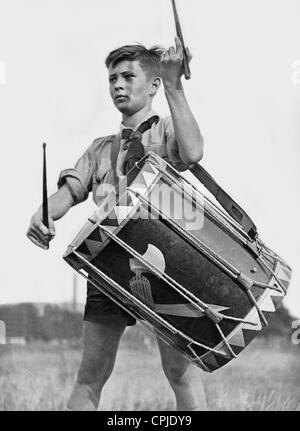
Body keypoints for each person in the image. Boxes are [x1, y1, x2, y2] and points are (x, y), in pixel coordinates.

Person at [27, 36, 207, 411]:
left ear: (153, 84)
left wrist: (175, 87)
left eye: (128, 76)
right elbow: (67, 193)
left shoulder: (168, 130)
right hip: (109, 269)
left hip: (166, 266)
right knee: (90, 379)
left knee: (181, 375)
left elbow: (192, 152)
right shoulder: (99, 148)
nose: (118, 85)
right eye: (112, 79)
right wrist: (43, 213)